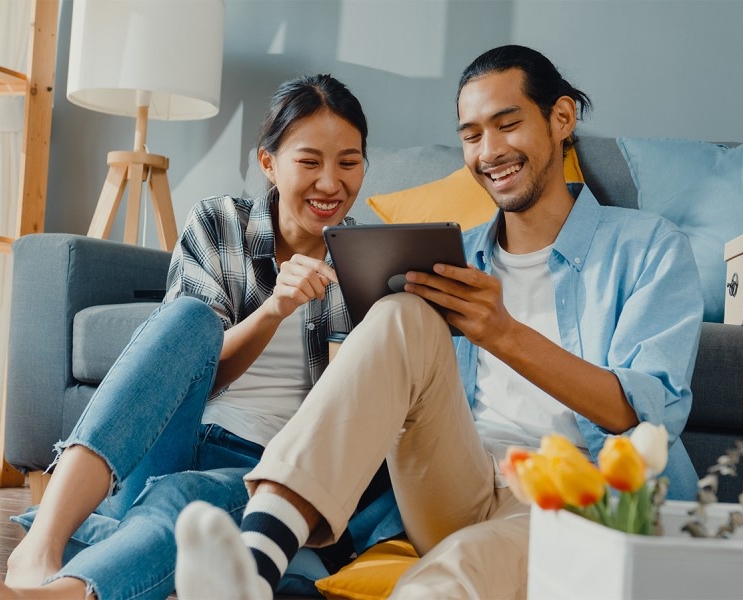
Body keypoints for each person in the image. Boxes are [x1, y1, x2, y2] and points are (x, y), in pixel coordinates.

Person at [173, 44, 704, 599]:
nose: (490, 151)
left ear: (561, 118)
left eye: (507, 125)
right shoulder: (450, 256)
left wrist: (500, 332)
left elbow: (646, 414)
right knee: (401, 311)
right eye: (472, 135)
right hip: (456, 483)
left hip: (576, 498)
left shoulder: (648, 247)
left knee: (452, 574)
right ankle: (255, 564)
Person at [0, 73, 402, 600]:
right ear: (269, 162)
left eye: (349, 162)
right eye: (310, 161)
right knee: (190, 319)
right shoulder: (219, 222)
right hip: (179, 436)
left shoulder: (366, 259)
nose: (330, 183)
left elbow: (347, 417)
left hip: (269, 471)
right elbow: (198, 370)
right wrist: (272, 311)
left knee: (185, 504)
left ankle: (49, 594)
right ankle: (41, 546)